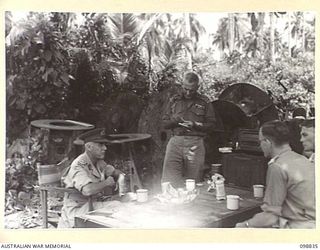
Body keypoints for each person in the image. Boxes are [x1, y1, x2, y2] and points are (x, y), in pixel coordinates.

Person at [236, 120, 315, 228]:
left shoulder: (277, 166)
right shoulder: (303, 159)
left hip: (298, 230)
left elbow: (270, 217)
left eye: (260, 142)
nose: (260, 146)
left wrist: (245, 225)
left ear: (268, 142)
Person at [58, 128, 124, 228]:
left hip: (92, 204)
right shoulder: (79, 165)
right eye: (100, 145)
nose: (105, 148)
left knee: (125, 202)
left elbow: (113, 171)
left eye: (104, 145)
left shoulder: (98, 162)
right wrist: (106, 183)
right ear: (89, 147)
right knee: (117, 207)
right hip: (78, 210)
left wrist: (120, 177)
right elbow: (87, 190)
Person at [161, 72, 216, 188]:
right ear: (182, 85)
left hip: (195, 144)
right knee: (169, 182)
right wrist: (174, 121)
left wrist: (195, 125)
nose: (188, 93)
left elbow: (212, 125)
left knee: (193, 183)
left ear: (197, 87)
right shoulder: (174, 101)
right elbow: (164, 123)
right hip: (176, 142)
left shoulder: (204, 102)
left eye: (191, 90)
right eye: (185, 89)